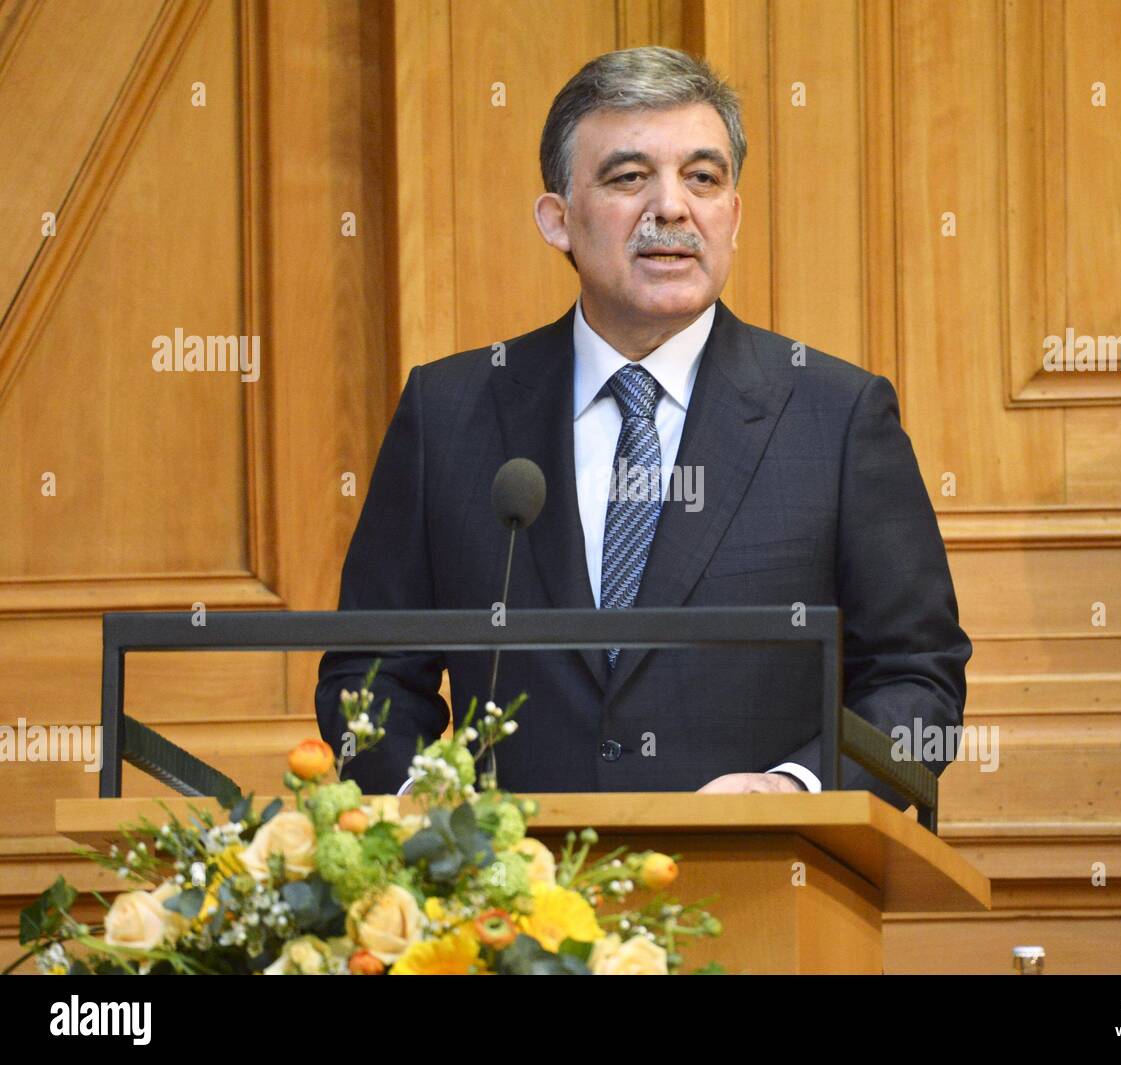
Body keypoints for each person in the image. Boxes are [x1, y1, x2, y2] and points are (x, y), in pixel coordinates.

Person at [316, 46, 970, 802]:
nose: (672, 207)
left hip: (762, 868)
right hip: (507, 873)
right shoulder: (450, 411)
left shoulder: (837, 416)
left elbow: (918, 678)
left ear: (733, 216)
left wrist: (794, 791)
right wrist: (427, 814)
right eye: (629, 177)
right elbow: (369, 672)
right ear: (558, 220)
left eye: (703, 178)